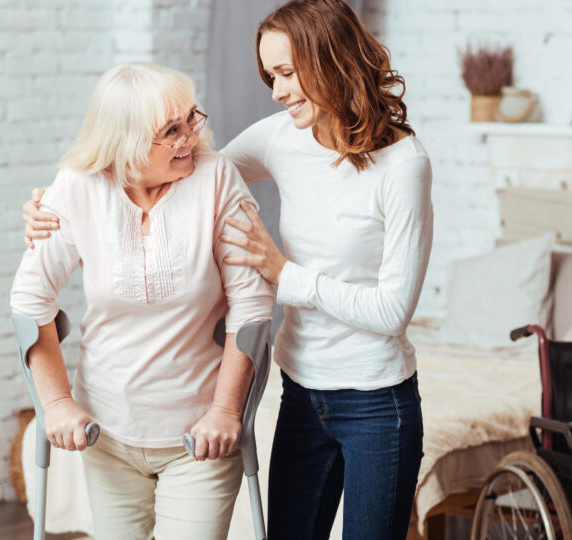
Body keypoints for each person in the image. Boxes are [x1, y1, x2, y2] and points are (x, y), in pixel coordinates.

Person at [22, 1, 432, 538]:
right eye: (271, 76)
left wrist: (284, 274)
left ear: (330, 59)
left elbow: (393, 312)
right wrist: (55, 205)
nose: (277, 91)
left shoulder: (404, 166)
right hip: (302, 391)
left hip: (378, 401)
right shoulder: (283, 135)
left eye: (286, 73)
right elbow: (191, 172)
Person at [11, 62, 274, 540]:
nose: (190, 138)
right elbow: (30, 301)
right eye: (170, 131)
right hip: (106, 432)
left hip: (199, 438)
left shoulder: (216, 179)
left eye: (191, 119)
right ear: (125, 142)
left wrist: (226, 412)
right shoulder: (77, 187)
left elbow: (252, 306)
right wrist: (56, 403)